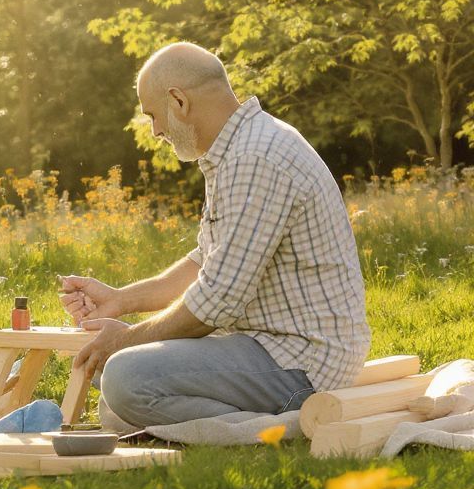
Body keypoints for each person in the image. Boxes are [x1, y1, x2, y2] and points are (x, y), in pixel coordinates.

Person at [59, 42, 369, 428]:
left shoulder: (254, 158)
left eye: (154, 116)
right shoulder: (237, 150)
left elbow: (215, 303)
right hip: (264, 347)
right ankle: (193, 420)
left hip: (300, 363)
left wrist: (125, 340)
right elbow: (206, 262)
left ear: (178, 101)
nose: (155, 131)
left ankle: (279, 430)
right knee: (116, 376)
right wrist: (121, 301)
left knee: (125, 376)